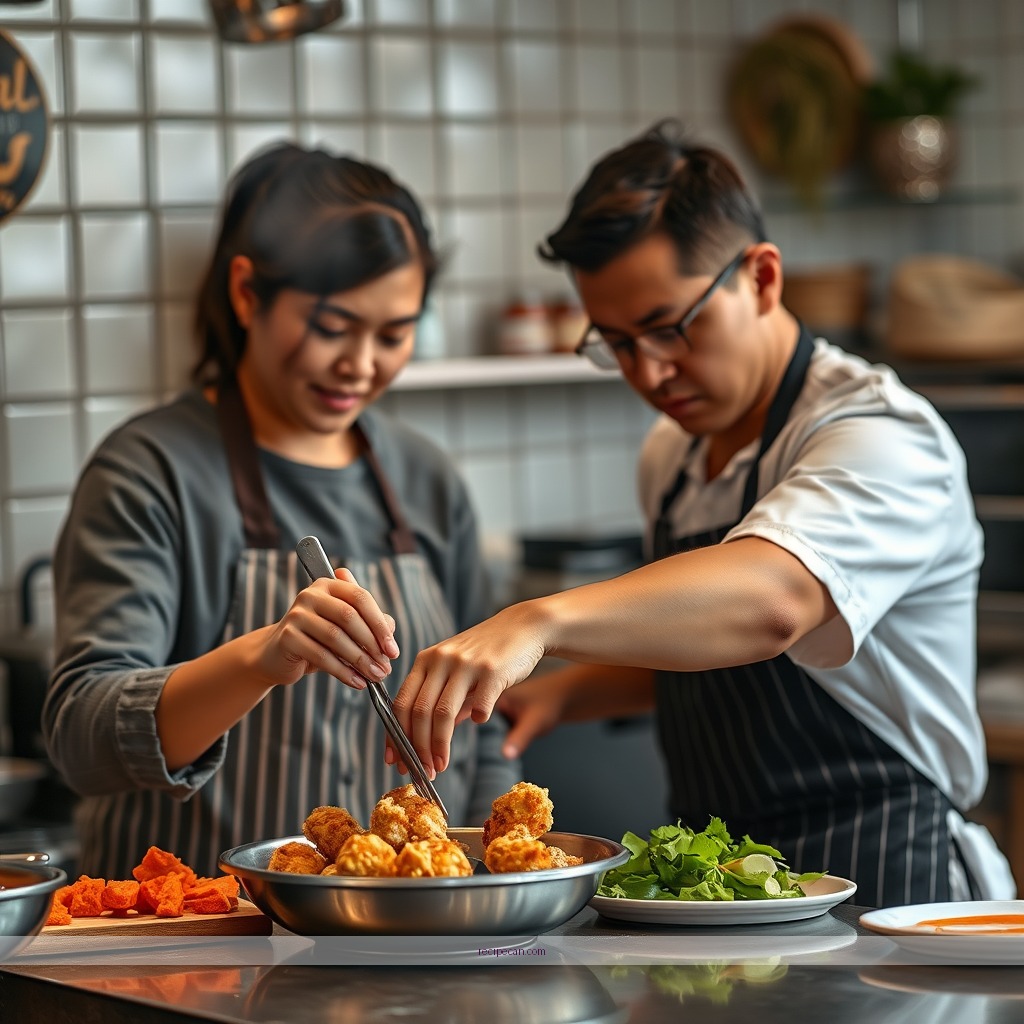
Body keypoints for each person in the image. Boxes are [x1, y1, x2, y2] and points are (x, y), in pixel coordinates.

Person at [391, 121, 1015, 907]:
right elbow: (720, 656)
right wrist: (566, 692)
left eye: (669, 328)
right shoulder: (675, 455)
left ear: (760, 278)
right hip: (715, 889)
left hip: (887, 877)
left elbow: (771, 607)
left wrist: (535, 624)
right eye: (616, 343)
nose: (649, 372)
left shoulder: (882, 438)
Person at [43, 142, 519, 879]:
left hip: (418, 938)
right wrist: (263, 658)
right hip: (195, 947)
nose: (361, 364)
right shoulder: (148, 473)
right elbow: (81, 737)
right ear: (246, 293)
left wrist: (486, 879)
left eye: (393, 334)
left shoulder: (425, 479)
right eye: (333, 327)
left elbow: (481, 728)